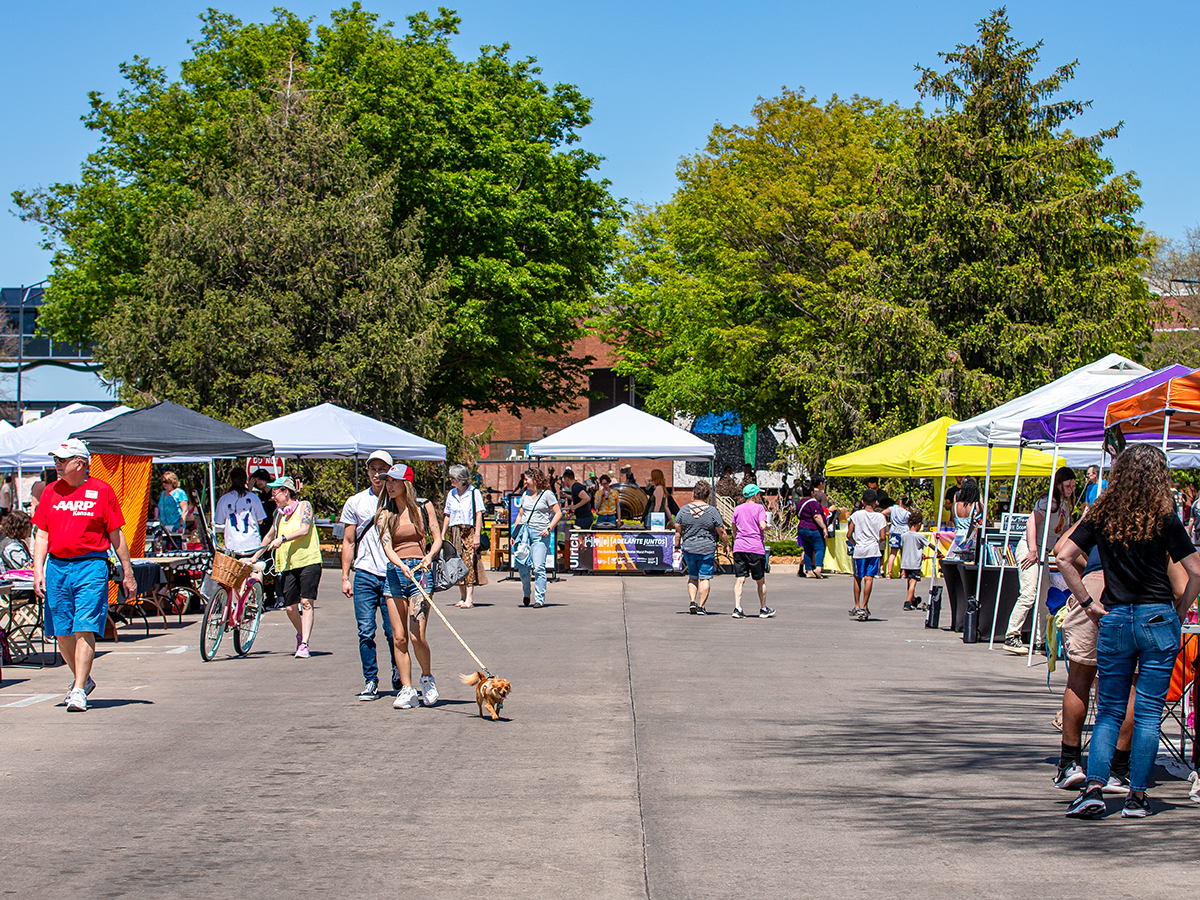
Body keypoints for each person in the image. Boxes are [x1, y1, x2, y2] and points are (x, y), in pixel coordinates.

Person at [1057, 444, 1200, 819]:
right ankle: (1136, 796)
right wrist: (1180, 609)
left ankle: (1093, 788)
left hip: (1115, 616)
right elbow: (1196, 570)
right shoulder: (1165, 516)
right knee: (1150, 713)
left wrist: (1088, 603)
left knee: (1108, 711)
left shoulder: (1103, 512)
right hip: (1157, 619)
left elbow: (1063, 556)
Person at [32, 439, 137, 712]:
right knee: (61, 631)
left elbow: (116, 534)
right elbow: (41, 534)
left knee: (84, 626)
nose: (57, 464)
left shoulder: (101, 491)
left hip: (91, 565)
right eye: (56, 460)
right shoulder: (50, 492)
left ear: (80, 463)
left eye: (62, 460)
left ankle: (78, 690)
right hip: (57, 566)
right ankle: (84, 679)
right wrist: (37, 570)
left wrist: (128, 572)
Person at [1051, 521, 1136, 793]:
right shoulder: (1157, 510)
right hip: (1137, 588)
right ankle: (1118, 769)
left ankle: (1070, 762)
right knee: (1129, 684)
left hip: (1096, 582)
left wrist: (1086, 596)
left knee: (1079, 678)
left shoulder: (1104, 507)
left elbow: (1061, 550)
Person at [378, 464, 443, 708]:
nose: (389, 485)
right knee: (399, 637)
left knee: (417, 636)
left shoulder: (423, 507)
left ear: (406, 483)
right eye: (387, 481)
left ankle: (426, 678)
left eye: (394, 480)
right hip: (396, 573)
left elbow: (437, 538)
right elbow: (386, 546)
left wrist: (428, 556)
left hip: (421, 573)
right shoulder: (385, 513)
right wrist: (399, 563)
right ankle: (407, 689)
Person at [340, 450, 400, 701]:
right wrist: (345, 576)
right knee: (366, 630)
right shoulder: (355, 501)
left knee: (392, 630)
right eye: (373, 469)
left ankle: (399, 673)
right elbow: (348, 540)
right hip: (364, 572)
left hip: (391, 572)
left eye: (382, 469)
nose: (377, 474)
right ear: (367, 472)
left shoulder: (397, 499)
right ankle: (370, 680)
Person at [1004, 467, 1076, 651]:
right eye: (1068, 485)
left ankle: (1040, 639)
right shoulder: (1048, 502)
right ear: (1059, 484)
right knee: (1029, 593)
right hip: (1031, 548)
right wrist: (1033, 550)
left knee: (1044, 596)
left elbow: (1064, 532)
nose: (1071, 489)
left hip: (1043, 551)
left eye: (1073, 486)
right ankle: (1012, 634)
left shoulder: (1064, 507)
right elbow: (1031, 522)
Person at [261, 476, 321, 658]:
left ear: (286, 492)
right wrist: (253, 556)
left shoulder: (305, 506)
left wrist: (283, 539)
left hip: (308, 561)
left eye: (275, 492)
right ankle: (301, 633)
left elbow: (304, 529)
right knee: (290, 608)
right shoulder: (279, 514)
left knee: (306, 603)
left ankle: (304, 644)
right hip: (288, 564)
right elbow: (270, 536)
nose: (273, 496)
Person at [674, 480, 728, 615]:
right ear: (708, 495)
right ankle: (701, 606)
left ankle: (692, 601)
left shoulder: (684, 510)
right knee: (704, 577)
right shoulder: (712, 511)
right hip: (706, 548)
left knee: (692, 576)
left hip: (689, 548)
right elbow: (721, 531)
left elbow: (678, 531)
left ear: (693, 494)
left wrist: (677, 546)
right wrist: (726, 545)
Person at [513, 468, 562, 608]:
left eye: (527, 479)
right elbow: (521, 515)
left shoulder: (547, 495)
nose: (525, 481)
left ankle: (539, 599)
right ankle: (527, 592)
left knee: (539, 566)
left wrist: (549, 528)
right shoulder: (525, 495)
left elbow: (558, 513)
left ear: (535, 479)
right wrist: (514, 534)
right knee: (522, 566)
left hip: (540, 534)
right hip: (524, 533)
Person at [443, 463, 488, 610]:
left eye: (453, 478)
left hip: (468, 530)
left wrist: (476, 535)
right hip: (455, 530)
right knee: (457, 563)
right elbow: (447, 515)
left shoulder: (474, 493)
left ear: (461, 478)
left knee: (468, 562)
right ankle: (462, 596)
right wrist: (442, 535)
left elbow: (478, 514)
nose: (451, 480)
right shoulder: (451, 493)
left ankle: (469, 598)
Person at [730, 483, 773, 618]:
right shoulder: (759, 508)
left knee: (740, 579)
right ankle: (763, 608)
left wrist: (738, 538)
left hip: (740, 546)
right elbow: (762, 525)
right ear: (755, 495)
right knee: (760, 580)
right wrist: (768, 526)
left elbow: (734, 529)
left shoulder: (737, 509)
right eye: (758, 494)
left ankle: (737, 607)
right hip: (755, 547)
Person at [846, 489, 887, 621]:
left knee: (857, 578)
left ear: (862, 502)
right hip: (873, 550)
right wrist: (875, 541)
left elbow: (849, 534)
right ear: (876, 502)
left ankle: (857, 605)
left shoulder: (857, 515)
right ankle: (864, 606)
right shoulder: (881, 517)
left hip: (859, 550)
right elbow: (882, 536)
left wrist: (855, 543)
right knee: (869, 578)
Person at [214, 467, 266, 556]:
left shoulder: (224, 499)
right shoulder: (253, 498)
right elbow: (260, 520)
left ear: (231, 480)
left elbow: (219, 521)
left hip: (233, 544)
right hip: (252, 543)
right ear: (245, 480)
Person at [794, 480, 827, 579]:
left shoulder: (800, 503)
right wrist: (824, 527)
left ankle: (808, 570)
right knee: (819, 548)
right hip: (813, 528)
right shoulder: (813, 503)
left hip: (802, 528)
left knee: (807, 549)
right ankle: (818, 568)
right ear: (812, 493)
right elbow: (816, 516)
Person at [900, 511, 931, 611]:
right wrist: (938, 552)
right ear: (919, 524)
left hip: (906, 562)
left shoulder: (904, 535)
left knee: (909, 582)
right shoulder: (920, 536)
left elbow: (903, 548)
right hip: (915, 563)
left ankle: (913, 599)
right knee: (913, 582)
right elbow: (930, 544)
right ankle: (907, 602)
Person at [882, 495, 913, 578]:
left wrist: (886, 524)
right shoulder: (907, 513)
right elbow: (912, 519)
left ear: (900, 501)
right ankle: (903, 572)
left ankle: (889, 573)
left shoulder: (893, 508)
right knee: (903, 553)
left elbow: (883, 513)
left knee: (893, 553)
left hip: (894, 532)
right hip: (904, 532)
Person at [157, 470, 190, 549]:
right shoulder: (163, 494)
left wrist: (181, 525)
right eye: (163, 482)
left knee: (176, 547)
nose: (164, 484)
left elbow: (185, 510)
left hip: (176, 526)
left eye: (166, 481)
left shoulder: (180, 493)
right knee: (164, 548)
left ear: (172, 481)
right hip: (164, 527)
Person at [561, 467, 593, 532]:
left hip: (584, 518)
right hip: (583, 517)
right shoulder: (575, 486)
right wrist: (566, 496)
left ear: (567, 479)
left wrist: (575, 506)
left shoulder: (576, 487)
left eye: (564, 480)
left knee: (581, 537)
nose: (564, 482)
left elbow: (586, 498)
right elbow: (578, 498)